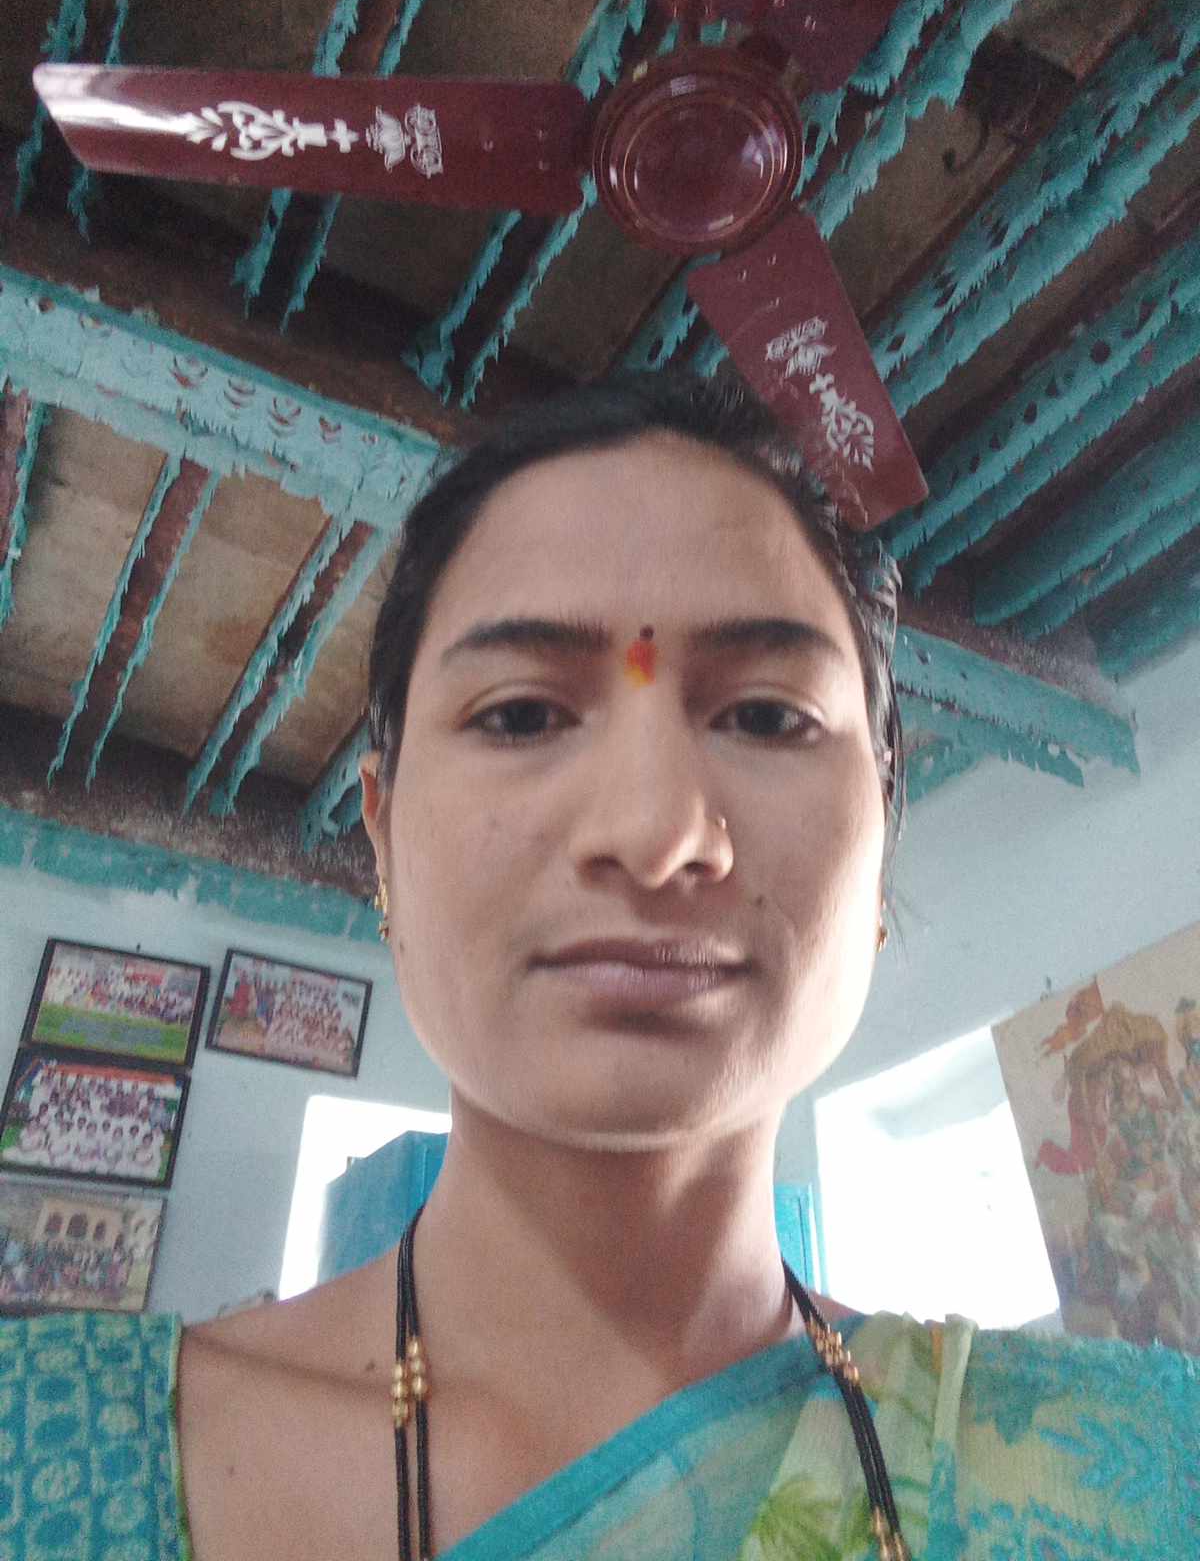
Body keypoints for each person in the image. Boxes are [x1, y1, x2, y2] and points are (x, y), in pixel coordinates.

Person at [0, 376, 1195, 1559]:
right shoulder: (38, 1454)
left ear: (882, 833)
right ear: (384, 834)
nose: (656, 830)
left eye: (767, 716)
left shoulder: (1142, 1483)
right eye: (522, 714)